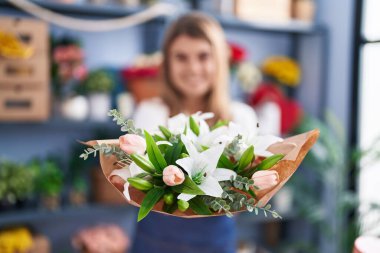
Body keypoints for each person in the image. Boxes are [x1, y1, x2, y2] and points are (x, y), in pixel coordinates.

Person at [130, 12, 258, 253]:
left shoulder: (242, 117)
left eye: (203, 56)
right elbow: (139, 179)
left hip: (216, 241)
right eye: (181, 57)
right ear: (167, 63)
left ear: (219, 60)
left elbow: (249, 186)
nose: (193, 68)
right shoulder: (151, 112)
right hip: (155, 240)